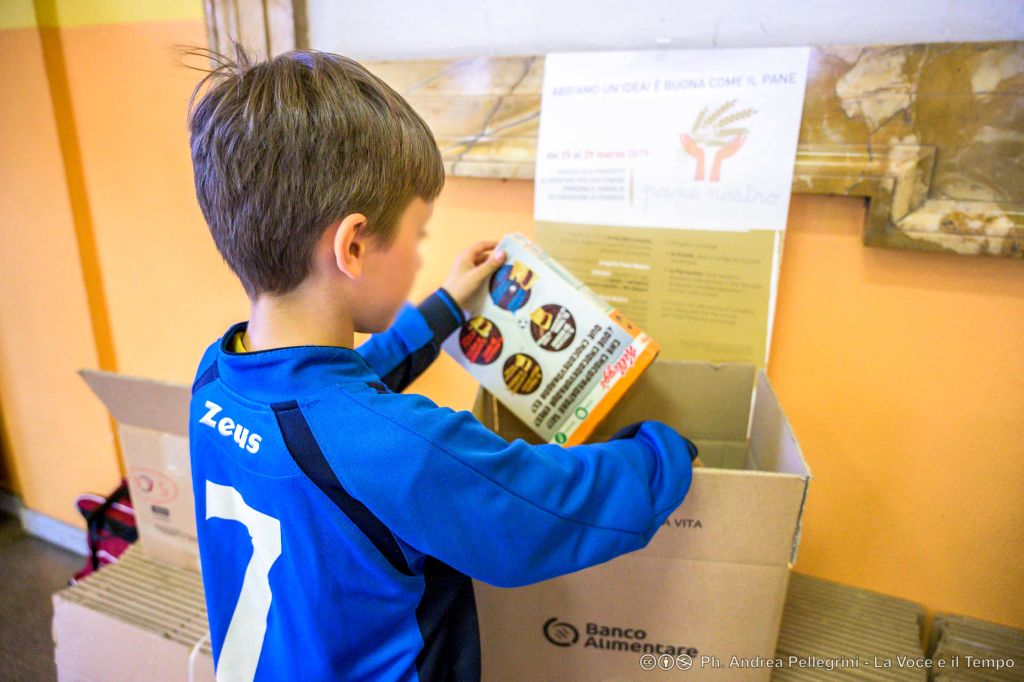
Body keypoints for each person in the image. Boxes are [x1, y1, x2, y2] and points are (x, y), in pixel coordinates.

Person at [182, 41, 700, 682]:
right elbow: (546, 510)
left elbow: (325, 405)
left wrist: (439, 313)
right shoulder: (401, 446)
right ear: (353, 245)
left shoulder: (216, 380)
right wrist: (663, 451)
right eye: (418, 234)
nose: (422, 254)